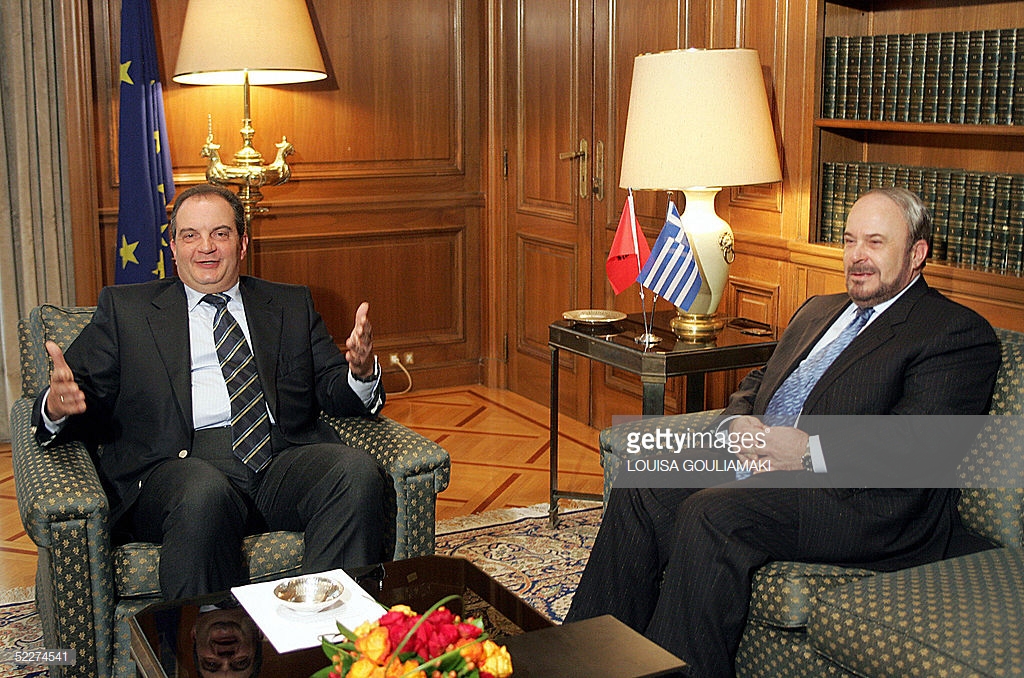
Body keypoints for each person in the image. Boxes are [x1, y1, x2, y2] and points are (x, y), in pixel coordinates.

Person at [565, 187, 1002, 677]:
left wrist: (809, 450)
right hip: (762, 463)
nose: (857, 256)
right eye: (849, 240)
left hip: (857, 499)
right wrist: (737, 421)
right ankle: (587, 663)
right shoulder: (820, 309)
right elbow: (759, 379)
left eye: (875, 243)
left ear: (916, 254)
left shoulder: (953, 332)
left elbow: (917, 449)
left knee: (710, 514)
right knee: (644, 477)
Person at [31, 183, 393, 599]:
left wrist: (360, 372)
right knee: (203, 490)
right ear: (173, 246)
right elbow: (75, 391)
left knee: (353, 471)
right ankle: (204, 643)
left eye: (220, 233)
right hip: (176, 468)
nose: (206, 247)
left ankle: (325, 635)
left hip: (278, 460)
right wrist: (56, 406)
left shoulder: (289, 304)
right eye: (190, 235)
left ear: (242, 243)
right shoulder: (125, 311)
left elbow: (334, 390)